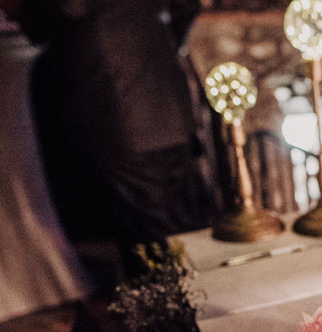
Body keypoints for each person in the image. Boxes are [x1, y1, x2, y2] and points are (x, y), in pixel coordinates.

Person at [15, 0, 213, 282]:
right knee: (183, 232)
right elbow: (186, 6)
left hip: (118, 109)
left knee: (153, 246)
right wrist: (156, 45)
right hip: (163, 101)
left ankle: (174, 317)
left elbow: (46, 21)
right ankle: (187, 313)